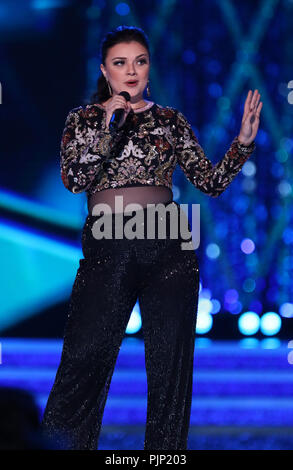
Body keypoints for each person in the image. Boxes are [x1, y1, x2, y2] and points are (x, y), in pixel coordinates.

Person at [41, 25, 262, 450]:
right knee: (84, 359)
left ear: (149, 68)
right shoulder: (84, 119)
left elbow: (209, 182)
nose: (131, 71)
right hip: (108, 244)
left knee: (169, 368)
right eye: (120, 63)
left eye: (139, 62)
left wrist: (242, 143)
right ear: (105, 70)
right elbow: (75, 179)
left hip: (168, 244)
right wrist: (108, 123)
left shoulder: (170, 120)